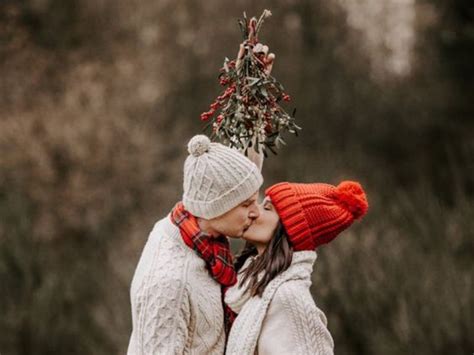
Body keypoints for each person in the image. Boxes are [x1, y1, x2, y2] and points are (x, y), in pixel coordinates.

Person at [127, 134, 264, 354]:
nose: (256, 212)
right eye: (246, 204)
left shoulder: (192, 228)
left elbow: (226, 183)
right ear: (217, 207)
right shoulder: (170, 284)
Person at [225, 181, 369, 355]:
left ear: (289, 227)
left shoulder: (288, 297)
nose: (255, 212)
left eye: (267, 208)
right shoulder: (253, 285)